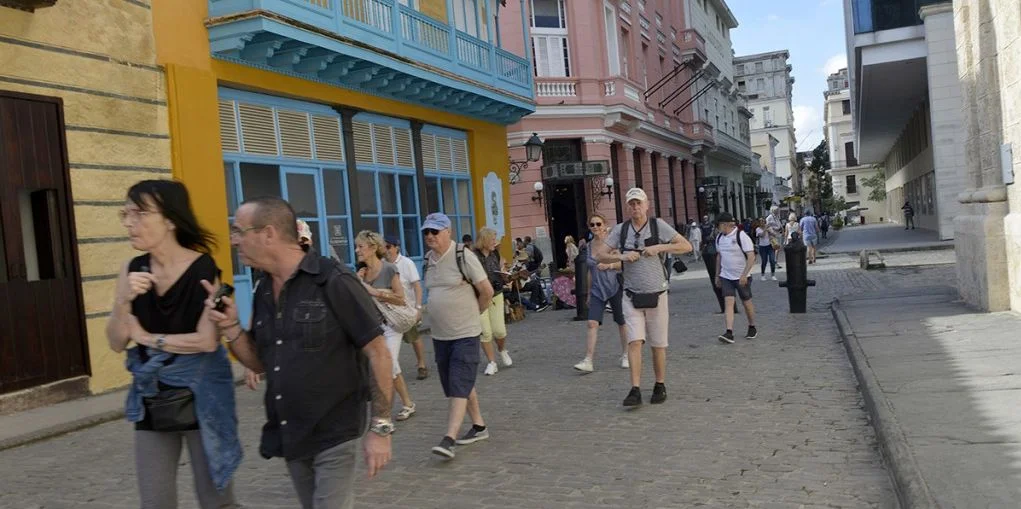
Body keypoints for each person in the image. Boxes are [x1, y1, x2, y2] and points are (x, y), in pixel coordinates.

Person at [207, 196, 394, 509]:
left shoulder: (333, 280)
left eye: (239, 231)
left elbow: (379, 352)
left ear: (268, 233)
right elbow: (258, 361)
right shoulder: (264, 289)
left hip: (335, 431)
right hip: (292, 432)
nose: (233, 240)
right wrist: (231, 329)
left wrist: (381, 427)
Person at [105, 180, 242, 509]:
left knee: (216, 500)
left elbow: (207, 341)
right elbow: (115, 341)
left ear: (169, 219)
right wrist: (123, 300)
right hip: (152, 397)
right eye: (125, 214)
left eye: (138, 214)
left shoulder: (204, 270)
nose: (128, 223)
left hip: (203, 397)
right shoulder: (132, 269)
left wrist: (148, 338)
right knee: (155, 502)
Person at [595, 188, 692, 407]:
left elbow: (686, 246)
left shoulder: (658, 226)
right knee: (635, 341)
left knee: (658, 344)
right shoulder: (621, 230)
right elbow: (599, 254)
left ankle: (660, 384)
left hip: (657, 293)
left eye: (639, 203)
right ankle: (635, 389)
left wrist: (659, 247)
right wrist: (621, 256)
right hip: (631, 295)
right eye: (631, 204)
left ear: (647, 205)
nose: (635, 207)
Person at [421, 213, 495, 459]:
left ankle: (449, 438)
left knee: (458, 384)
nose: (430, 236)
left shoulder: (463, 256)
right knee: (459, 383)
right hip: (440, 336)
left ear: (448, 232)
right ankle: (479, 426)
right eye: (426, 232)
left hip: (465, 332)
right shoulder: (427, 260)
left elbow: (486, 290)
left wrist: (477, 311)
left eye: (435, 231)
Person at [356, 231, 417, 422]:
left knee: (386, 366)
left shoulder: (389, 269)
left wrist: (376, 292)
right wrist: (358, 282)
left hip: (391, 325)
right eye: (356, 246)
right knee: (390, 367)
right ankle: (407, 403)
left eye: (360, 246)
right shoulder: (361, 272)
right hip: (373, 328)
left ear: (373, 248)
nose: (357, 250)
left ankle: (384, 415)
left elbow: (400, 298)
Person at [573, 214, 629, 373]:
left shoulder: (613, 243)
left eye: (598, 224)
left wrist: (609, 266)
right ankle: (588, 359)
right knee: (592, 323)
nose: (595, 227)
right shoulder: (588, 246)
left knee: (621, 322)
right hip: (598, 289)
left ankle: (626, 354)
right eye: (592, 225)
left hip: (615, 286)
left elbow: (623, 263)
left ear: (605, 225)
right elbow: (590, 271)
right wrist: (589, 293)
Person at [384, 235, 428, 381]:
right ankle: (390, 369)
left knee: (414, 337)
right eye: (384, 247)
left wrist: (418, 307)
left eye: (388, 247)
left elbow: (417, 286)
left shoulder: (407, 263)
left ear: (397, 247)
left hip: (406, 309)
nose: (386, 250)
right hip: (389, 310)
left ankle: (421, 364)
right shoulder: (383, 264)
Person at [474, 227, 513, 376]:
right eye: (492, 240)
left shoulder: (495, 254)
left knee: (499, 331)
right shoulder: (474, 256)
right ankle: (492, 362)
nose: (494, 243)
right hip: (480, 297)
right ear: (484, 240)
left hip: (496, 294)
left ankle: (502, 350)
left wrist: (505, 276)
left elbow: (500, 267)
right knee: (485, 332)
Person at [714, 213, 758, 343]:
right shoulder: (719, 238)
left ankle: (752, 326)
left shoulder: (741, 236)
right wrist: (717, 275)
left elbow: (751, 257)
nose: (718, 228)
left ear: (725, 225)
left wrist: (744, 274)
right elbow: (719, 256)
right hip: (726, 276)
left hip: (741, 277)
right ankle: (729, 332)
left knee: (746, 302)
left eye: (719, 225)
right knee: (728, 303)